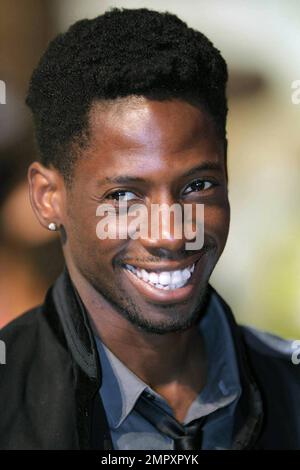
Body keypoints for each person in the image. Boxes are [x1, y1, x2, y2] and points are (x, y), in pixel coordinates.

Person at [0, 8, 299, 450]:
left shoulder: (287, 387)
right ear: (49, 198)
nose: (170, 234)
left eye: (198, 185)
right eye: (123, 196)